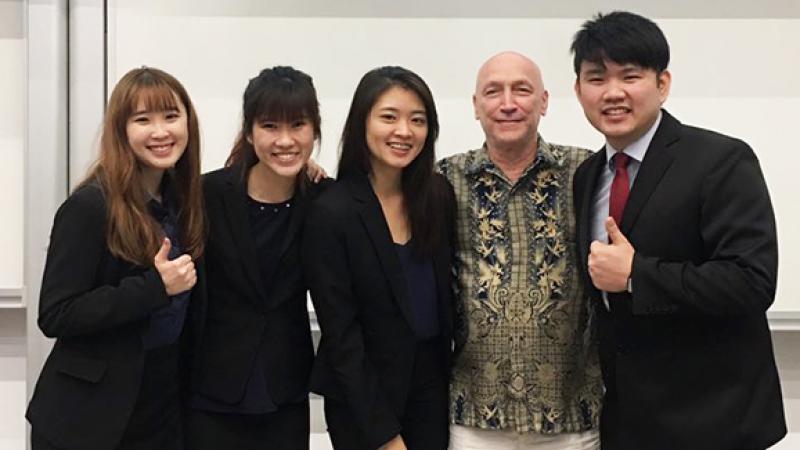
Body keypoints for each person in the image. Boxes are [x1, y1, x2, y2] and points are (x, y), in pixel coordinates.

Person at [571, 11, 787, 450]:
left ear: (662, 84)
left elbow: (752, 281)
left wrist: (636, 275)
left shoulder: (720, 160)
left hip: (716, 421)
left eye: (630, 75)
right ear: (578, 91)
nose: (612, 92)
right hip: (629, 422)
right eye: (596, 78)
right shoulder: (587, 175)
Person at [26, 67, 205, 450]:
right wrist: (155, 287)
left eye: (171, 116)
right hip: (88, 419)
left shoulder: (183, 201)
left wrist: (301, 170)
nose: (161, 131)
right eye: (143, 120)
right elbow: (56, 313)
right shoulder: (90, 206)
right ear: (121, 129)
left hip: (161, 407)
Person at [437, 52, 602, 450]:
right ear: (476, 105)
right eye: (493, 91)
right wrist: (311, 175)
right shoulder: (443, 178)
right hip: (475, 419)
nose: (508, 103)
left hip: (570, 418)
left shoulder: (587, 172)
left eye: (521, 90)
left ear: (543, 101)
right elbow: (374, 198)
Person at [303, 66, 455, 450]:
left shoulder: (437, 195)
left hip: (430, 387)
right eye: (389, 117)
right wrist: (384, 436)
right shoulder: (332, 210)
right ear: (362, 122)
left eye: (417, 120)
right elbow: (341, 336)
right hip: (361, 395)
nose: (404, 131)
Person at [183, 66, 327, 450]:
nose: (285, 140)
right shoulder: (207, 194)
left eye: (298, 125)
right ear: (249, 132)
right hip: (210, 390)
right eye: (269, 126)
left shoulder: (323, 201)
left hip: (285, 391)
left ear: (315, 129)